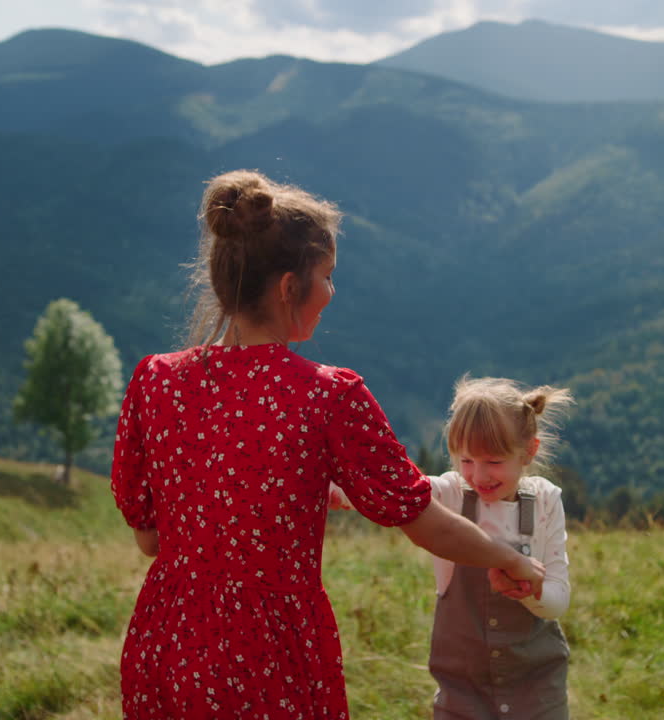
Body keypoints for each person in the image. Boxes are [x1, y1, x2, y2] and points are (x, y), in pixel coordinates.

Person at [109, 169, 545, 720]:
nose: (331, 294)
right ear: (290, 287)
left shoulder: (156, 380)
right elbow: (419, 516)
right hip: (268, 656)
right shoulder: (328, 396)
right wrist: (510, 558)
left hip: (166, 642)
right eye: (328, 277)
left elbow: (150, 540)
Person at [427, 376, 574, 719]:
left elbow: (558, 600)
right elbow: (398, 492)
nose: (478, 476)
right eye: (465, 461)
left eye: (493, 462)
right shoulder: (447, 494)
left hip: (537, 693)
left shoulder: (545, 501)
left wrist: (528, 590)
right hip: (462, 695)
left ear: (529, 452)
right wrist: (345, 493)